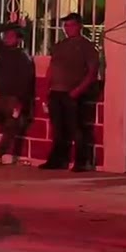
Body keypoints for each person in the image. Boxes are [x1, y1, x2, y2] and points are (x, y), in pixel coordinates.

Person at [40, 12, 101, 172]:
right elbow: (51, 68)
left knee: (77, 129)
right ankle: (57, 160)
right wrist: (46, 88)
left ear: (79, 26)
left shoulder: (86, 46)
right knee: (58, 129)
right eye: (66, 26)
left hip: (73, 93)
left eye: (71, 25)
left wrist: (77, 91)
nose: (68, 29)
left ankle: (81, 162)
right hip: (56, 92)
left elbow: (92, 72)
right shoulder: (60, 45)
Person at [0, 19, 35, 165]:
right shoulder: (2, 50)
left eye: (11, 36)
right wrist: (10, 24)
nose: (7, 38)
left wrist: (21, 101)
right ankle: (4, 153)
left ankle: (1, 154)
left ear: (18, 39)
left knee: (11, 126)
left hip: (15, 98)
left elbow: (27, 81)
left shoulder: (23, 56)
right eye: (6, 35)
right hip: (1, 96)